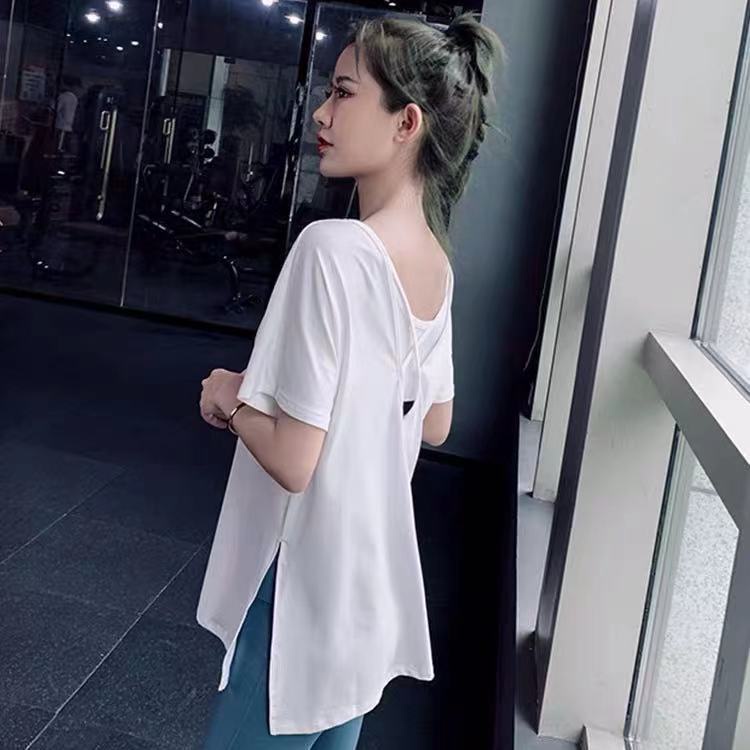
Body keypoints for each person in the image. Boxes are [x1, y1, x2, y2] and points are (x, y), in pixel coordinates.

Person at [196, 11, 505, 749]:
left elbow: (295, 459)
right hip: (368, 584)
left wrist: (229, 399)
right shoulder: (434, 263)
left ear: (407, 123)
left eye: (343, 93)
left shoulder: (331, 249)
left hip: (302, 581)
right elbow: (436, 422)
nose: (321, 114)